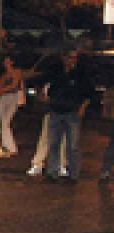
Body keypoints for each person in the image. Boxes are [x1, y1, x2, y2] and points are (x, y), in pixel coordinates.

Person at [43, 49, 92, 182]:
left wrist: (82, 108)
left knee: (73, 145)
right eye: (70, 57)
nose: (72, 60)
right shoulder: (56, 73)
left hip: (72, 113)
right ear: (64, 58)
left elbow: (88, 94)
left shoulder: (80, 75)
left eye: (75, 58)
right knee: (53, 143)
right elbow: (47, 86)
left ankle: (73, 174)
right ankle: (52, 172)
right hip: (56, 111)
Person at [0, 55, 24, 158]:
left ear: (12, 62)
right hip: (4, 98)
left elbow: (14, 85)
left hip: (13, 97)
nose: (6, 63)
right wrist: (2, 90)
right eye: (5, 61)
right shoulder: (3, 75)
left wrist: (4, 89)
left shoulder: (17, 72)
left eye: (8, 61)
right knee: (3, 122)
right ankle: (6, 145)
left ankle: (11, 147)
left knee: (6, 121)